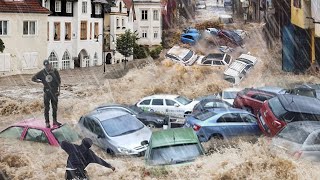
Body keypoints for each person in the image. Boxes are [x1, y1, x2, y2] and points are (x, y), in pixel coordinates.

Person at [32, 59, 61, 128]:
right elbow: (33, 78)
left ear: (50, 65)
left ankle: (54, 121)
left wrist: (59, 91)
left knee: (55, 108)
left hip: (54, 92)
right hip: (47, 93)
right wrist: (39, 82)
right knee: (46, 108)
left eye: (48, 65)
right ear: (44, 66)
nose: (47, 67)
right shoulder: (42, 72)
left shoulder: (55, 71)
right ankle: (47, 122)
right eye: (46, 66)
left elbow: (59, 82)